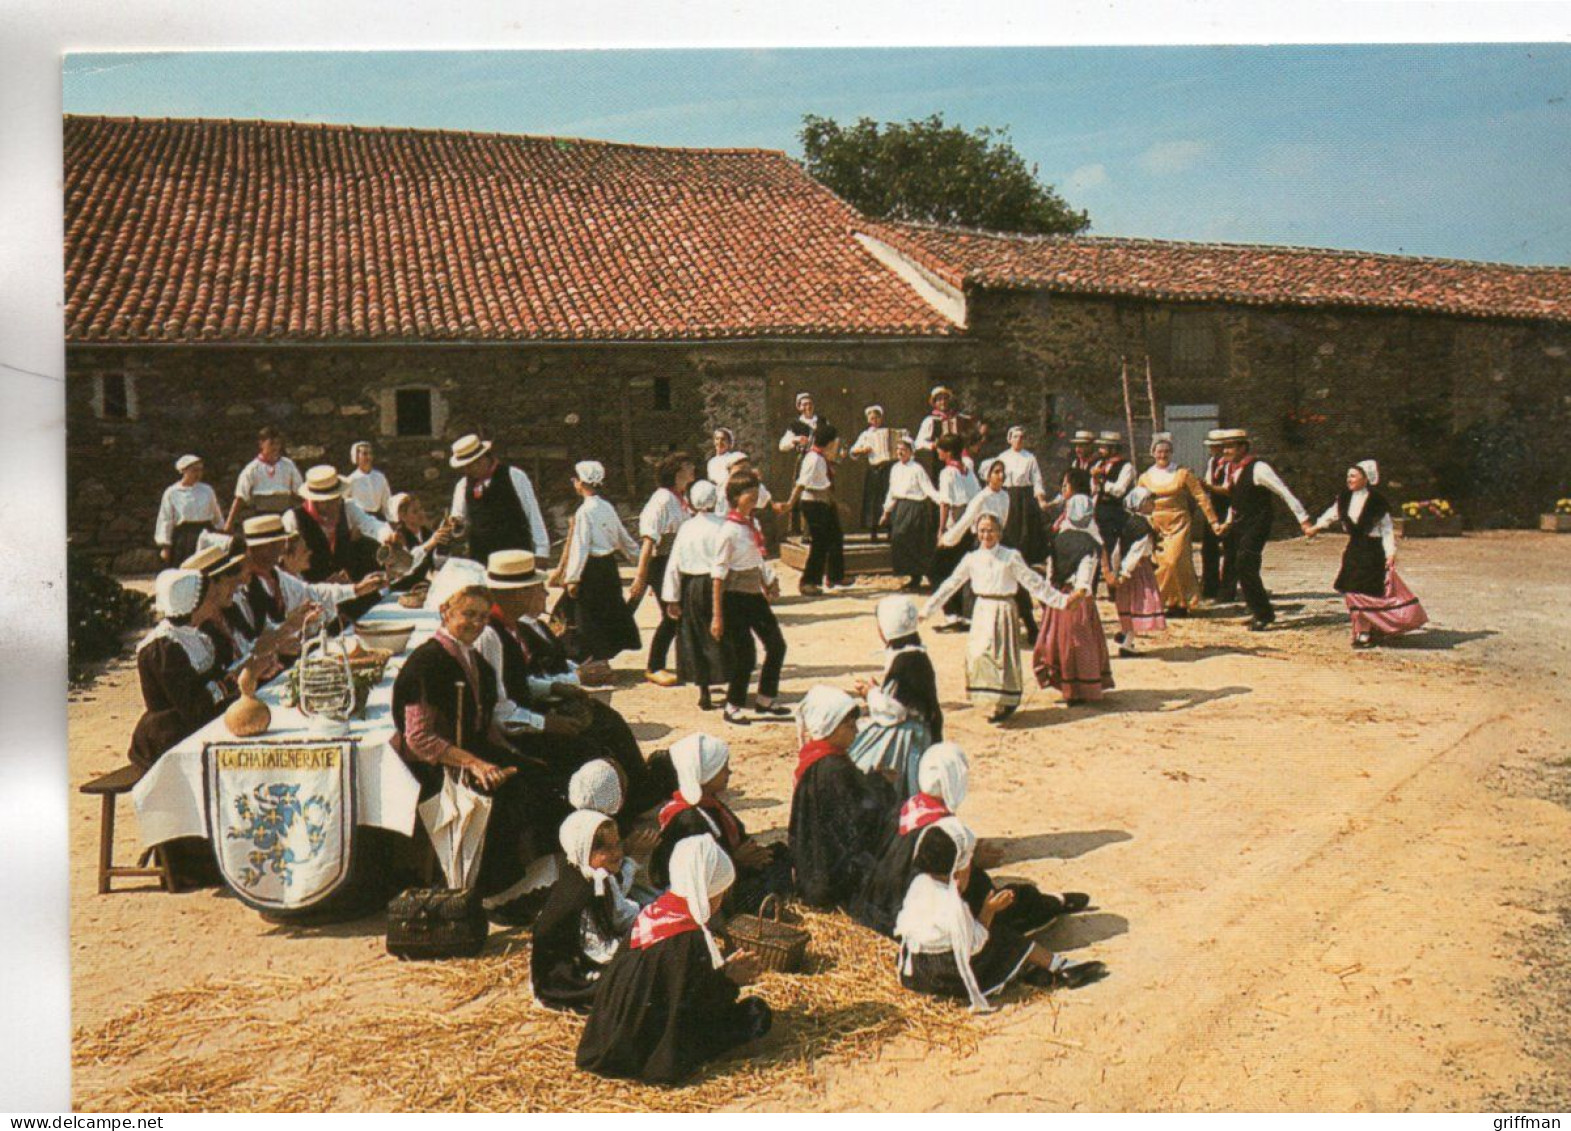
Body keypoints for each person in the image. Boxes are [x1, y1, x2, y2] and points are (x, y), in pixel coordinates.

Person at [390, 582, 548, 899]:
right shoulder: (425, 664)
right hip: (434, 768)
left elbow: (485, 722)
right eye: (468, 614)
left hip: (471, 753)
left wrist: (508, 755)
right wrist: (476, 764)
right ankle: (492, 893)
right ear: (445, 612)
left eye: (482, 617)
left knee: (538, 775)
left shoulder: (475, 660)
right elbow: (419, 738)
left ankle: (524, 885)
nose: (476, 624)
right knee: (506, 796)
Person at [576, 834, 773, 1085]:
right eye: (720, 893)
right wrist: (729, 981)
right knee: (755, 1014)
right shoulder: (686, 937)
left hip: (610, 1036)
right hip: (643, 1050)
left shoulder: (654, 912)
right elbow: (691, 1010)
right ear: (708, 893)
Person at [480, 550, 661, 816]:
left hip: (527, 714)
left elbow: (518, 682)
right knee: (589, 748)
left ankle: (635, 793)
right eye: (533, 588)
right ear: (518, 593)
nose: (539, 594)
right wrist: (548, 723)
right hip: (511, 733)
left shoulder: (511, 628)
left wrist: (554, 687)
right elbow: (500, 710)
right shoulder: (490, 636)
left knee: (606, 722)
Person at [849, 743, 1086, 939]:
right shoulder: (945, 830)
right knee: (1013, 899)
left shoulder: (907, 808)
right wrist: (971, 859)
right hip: (918, 913)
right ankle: (1054, 903)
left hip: (880, 905)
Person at [894, 819, 1107, 1011]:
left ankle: (1027, 971)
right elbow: (976, 943)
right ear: (957, 873)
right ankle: (1061, 967)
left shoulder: (919, 885)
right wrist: (989, 910)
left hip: (916, 972)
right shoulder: (952, 906)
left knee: (999, 936)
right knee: (1008, 941)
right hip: (947, 977)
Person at [925, 512, 1075, 723]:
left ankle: (1004, 702)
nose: (986, 535)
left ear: (999, 533)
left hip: (1003, 608)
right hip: (982, 610)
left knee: (1000, 657)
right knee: (978, 654)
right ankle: (990, 698)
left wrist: (1062, 601)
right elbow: (951, 584)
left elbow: (1033, 582)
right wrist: (927, 609)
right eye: (982, 530)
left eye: (991, 530)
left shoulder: (1010, 556)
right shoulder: (972, 559)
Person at [650, 733, 793, 914]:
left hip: (736, 869)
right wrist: (737, 860)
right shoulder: (688, 820)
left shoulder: (709, 803)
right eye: (722, 768)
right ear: (706, 773)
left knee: (781, 853)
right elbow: (698, 876)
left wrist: (756, 854)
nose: (729, 772)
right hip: (718, 894)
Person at [532, 810, 653, 1014]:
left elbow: (618, 912)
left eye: (617, 845)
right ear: (583, 850)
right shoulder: (581, 891)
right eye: (605, 849)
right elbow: (596, 949)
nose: (616, 853)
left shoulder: (598, 876)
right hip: (569, 974)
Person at [788, 686, 896, 909]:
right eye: (849, 725)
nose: (855, 731)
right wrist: (882, 784)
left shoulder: (816, 759)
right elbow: (861, 820)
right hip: (834, 880)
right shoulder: (834, 769)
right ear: (829, 727)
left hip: (815, 871)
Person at [129, 569, 248, 769]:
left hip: (197, 723)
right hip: (168, 737)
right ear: (193, 605)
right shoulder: (163, 649)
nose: (216, 601)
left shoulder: (199, 634)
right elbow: (192, 707)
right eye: (211, 598)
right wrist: (230, 683)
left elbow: (215, 679)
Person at [1309, 460, 1429, 648]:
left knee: (1367, 591)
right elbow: (1331, 514)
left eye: (1354, 476)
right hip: (1354, 549)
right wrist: (1316, 527)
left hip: (1373, 551)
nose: (1349, 479)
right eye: (1348, 476)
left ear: (1366, 479)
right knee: (1352, 590)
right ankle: (1361, 629)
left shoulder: (1377, 502)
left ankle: (1367, 631)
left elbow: (1387, 529)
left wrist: (1390, 553)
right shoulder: (1344, 498)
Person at [710, 472, 789, 726]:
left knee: (776, 645)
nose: (754, 496)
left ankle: (765, 698)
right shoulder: (729, 531)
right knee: (745, 655)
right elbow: (719, 575)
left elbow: (757, 558)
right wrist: (717, 615)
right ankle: (733, 705)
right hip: (734, 597)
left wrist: (768, 580)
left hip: (754, 594)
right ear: (735, 497)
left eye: (756, 491)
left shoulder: (751, 524)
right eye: (748, 493)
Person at [1215, 429, 1314, 631]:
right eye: (1224, 447)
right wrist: (1227, 521)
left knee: (1246, 563)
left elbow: (1284, 492)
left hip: (1258, 522)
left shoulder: (1259, 468)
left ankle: (1263, 613)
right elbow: (1234, 497)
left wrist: (1303, 520)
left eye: (1231, 446)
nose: (1225, 451)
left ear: (1243, 448)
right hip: (1240, 522)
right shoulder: (1231, 468)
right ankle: (1259, 610)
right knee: (1238, 565)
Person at [848, 596, 944, 798]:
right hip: (920, 730)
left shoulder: (906, 661)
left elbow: (895, 710)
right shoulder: (914, 654)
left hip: (906, 737)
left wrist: (870, 693)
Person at [558, 461, 641, 662]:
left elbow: (581, 545)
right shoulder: (607, 507)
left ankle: (591, 659)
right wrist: (639, 557)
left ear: (580, 483)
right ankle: (601, 658)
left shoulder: (584, 512)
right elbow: (623, 538)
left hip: (591, 569)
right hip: (609, 568)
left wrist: (573, 578)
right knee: (607, 612)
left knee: (586, 617)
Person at [944, 458, 1038, 636]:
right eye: (996, 472)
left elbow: (1004, 520)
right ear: (987, 476)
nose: (1001, 476)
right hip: (983, 542)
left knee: (1017, 577)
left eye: (1002, 472)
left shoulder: (1005, 496)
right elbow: (965, 522)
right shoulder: (980, 498)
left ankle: (1030, 623)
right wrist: (948, 539)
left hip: (1001, 540)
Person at [1032, 497, 1112, 705]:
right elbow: (1085, 577)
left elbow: (1050, 572)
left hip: (1058, 598)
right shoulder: (1091, 545)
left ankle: (1066, 685)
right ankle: (1081, 687)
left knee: (1059, 641)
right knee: (1081, 643)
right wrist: (1079, 593)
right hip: (1078, 599)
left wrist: (1050, 596)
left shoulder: (1057, 540)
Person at [660, 479, 728, 711]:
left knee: (695, 636)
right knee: (723, 633)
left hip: (692, 586)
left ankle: (704, 690)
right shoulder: (723, 526)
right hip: (719, 584)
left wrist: (672, 598)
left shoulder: (687, 528)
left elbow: (674, 564)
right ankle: (729, 680)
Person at [630, 452, 696, 686]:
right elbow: (649, 541)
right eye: (688, 465)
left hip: (678, 562)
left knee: (683, 615)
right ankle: (654, 666)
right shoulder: (662, 500)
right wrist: (641, 576)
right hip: (662, 563)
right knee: (671, 615)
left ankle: (686, 662)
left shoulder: (681, 497)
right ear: (677, 471)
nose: (692, 468)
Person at [1137, 437, 1223, 616]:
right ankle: (1165, 602)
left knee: (1175, 561)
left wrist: (1213, 520)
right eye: (1159, 451)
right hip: (1156, 524)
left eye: (1166, 451)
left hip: (1179, 522)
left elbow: (1200, 497)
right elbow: (1137, 501)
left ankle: (1183, 600)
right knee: (1160, 564)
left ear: (1171, 453)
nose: (1163, 455)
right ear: (1153, 453)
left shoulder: (1182, 473)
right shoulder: (1145, 477)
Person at [282, 465, 397, 583]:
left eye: (336, 498)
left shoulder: (348, 507)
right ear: (314, 500)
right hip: (310, 592)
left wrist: (387, 535)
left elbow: (372, 525)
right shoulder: (293, 519)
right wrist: (319, 587)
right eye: (326, 501)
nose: (333, 505)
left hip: (349, 588)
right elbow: (287, 565)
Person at [448, 433, 552, 563]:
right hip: (481, 558)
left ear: (482, 458)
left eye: (470, 465)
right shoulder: (462, 486)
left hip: (516, 554)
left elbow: (533, 513)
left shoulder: (515, 476)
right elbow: (459, 519)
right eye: (465, 467)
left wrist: (542, 551)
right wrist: (457, 525)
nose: (467, 470)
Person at [787, 422, 849, 595]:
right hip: (814, 504)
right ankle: (808, 581)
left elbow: (826, 485)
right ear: (829, 442)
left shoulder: (822, 459)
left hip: (824, 502)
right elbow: (800, 484)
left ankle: (835, 576)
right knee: (819, 544)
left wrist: (837, 503)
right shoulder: (814, 459)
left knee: (836, 536)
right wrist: (790, 504)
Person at [931, 433, 981, 631]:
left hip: (956, 524)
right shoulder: (968, 470)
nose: (937, 452)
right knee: (960, 569)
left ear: (948, 452)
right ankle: (963, 614)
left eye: (940, 449)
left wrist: (941, 530)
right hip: (970, 524)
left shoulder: (947, 473)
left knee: (937, 570)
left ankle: (953, 613)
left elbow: (945, 503)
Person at [1110, 487, 1167, 657]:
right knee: (1138, 605)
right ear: (1140, 504)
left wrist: (1117, 569)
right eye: (1149, 501)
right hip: (1138, 571)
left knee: (1128, 605)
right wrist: (1126, 572)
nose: (1153, 504)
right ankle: (1127, 644)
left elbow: (1117, 550)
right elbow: (1136, 552)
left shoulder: (1129, 523)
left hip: (1126, 569)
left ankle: (1125, 635)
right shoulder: (1143, 528)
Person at [880, 436, 941, 591]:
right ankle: (912, 576)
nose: (900, 452)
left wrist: (943, 502)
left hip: (915, 508)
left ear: (911, 452)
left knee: (914, 541)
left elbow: (928, 489)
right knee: (899, 539)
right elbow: (892, 492)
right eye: (898, 449)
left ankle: (922, 576)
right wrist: (886, 512)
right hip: (900, 508)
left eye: (904, 450)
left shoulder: (917, 469)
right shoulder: (895, 468)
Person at [224, 425, 302, 530]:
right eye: (271, 444)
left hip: (285, 515)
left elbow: (300, 492)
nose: (275, 448)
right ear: (261, 444)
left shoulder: (288, 465)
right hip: (262, 516)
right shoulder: (252, 468)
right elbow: (240, 497)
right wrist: (229, 523)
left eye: (278, 444)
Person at [993, 426, 1051, 566]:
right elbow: (996, 476)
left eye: (1021, 437)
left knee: (1025, 529)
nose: (1018, 440)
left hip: (1024, 496)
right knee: (1008, 526)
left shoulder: (1030, 458)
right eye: (1015, 437)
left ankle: (1024, 560)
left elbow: (1037, 480)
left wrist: (1041, 500)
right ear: (1009, 439)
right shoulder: (1003, 457)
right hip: (1007, 494)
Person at [155, 454, 224, 565]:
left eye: (200, 470)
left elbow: (216, 513)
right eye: (194, 470)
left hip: (206, 533)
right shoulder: (172, 492)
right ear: (184, 471)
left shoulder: (207, 490)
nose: (198, 474)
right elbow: (166, 519)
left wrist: (221, 531)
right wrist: (165, 546)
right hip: (185, 538)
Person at [385, 492, 457, 591]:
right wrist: (429, 544)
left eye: (421, 509)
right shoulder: (398, 538)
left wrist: (443, 546)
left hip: (422, 588)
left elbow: (436, 564)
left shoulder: (427, 533)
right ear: (402, 516)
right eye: (415, 511)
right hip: (402, 590)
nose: (421, 513)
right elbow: (406, 566)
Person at [778, 391, 826, 537]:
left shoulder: (822, 422)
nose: (808, 407)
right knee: (801, 493)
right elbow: (782, 445)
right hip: (804, 460)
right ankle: (802, 530)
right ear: (799, 407)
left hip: (820, 461)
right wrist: (796, 439)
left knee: (820, 493)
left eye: (810, 404)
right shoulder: (795, 425)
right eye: (804, 405)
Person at [849, 405, 898, 540]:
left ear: (881, 419)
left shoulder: (887, 432)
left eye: (877, 418)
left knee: (888, 498)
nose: (875, 420)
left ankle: (890, 530)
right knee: (873, 501)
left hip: (888, 468)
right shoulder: (866, 435)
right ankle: (873, 531)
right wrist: (861, 450)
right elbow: (852, 452)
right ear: (868, 420)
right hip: (875, 469)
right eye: (872, 418)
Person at [1199, 430, 1236, 602]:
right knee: (1209, 549)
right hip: (1214, 507)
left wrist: (1208, 487)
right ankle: (1210, 587)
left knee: (1230, 550)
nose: (1211, 450)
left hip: (1228, 507)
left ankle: (1227, 590)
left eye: (1214, 447)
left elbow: (1228, 489)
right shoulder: (1212, 462)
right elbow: (1209, 484)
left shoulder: (1231, 465)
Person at [914, 385, 980, 477]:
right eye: (939, 400)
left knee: (967, 466)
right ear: (934, 403)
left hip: (959, 456)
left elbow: (973, 433)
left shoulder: (959, 417)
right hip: (940, 459)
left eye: (945, 399)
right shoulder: (930, 420)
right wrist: (933, 445)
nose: (943, 402)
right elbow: (918, 442)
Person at [1091, 431, 1135, 558]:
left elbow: (1119, 490)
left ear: (1114, 448)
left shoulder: (1126, 466)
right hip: (1099, 509)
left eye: (1104, 447)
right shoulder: (1099, 465)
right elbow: (1093, 489)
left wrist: (1102, 482)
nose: (1100, 450)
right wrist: (1094, 481)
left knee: (1113, 546)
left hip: (1115, 511)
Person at [344, 441, 393, 519]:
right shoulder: (351, 479)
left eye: (370, 453)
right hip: (360, 520)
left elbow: (387, 501)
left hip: (378, 519)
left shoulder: (380, 477)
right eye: (365, 454)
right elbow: (346, 504)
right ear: (356, 457)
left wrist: (391, 519)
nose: (368, 457)